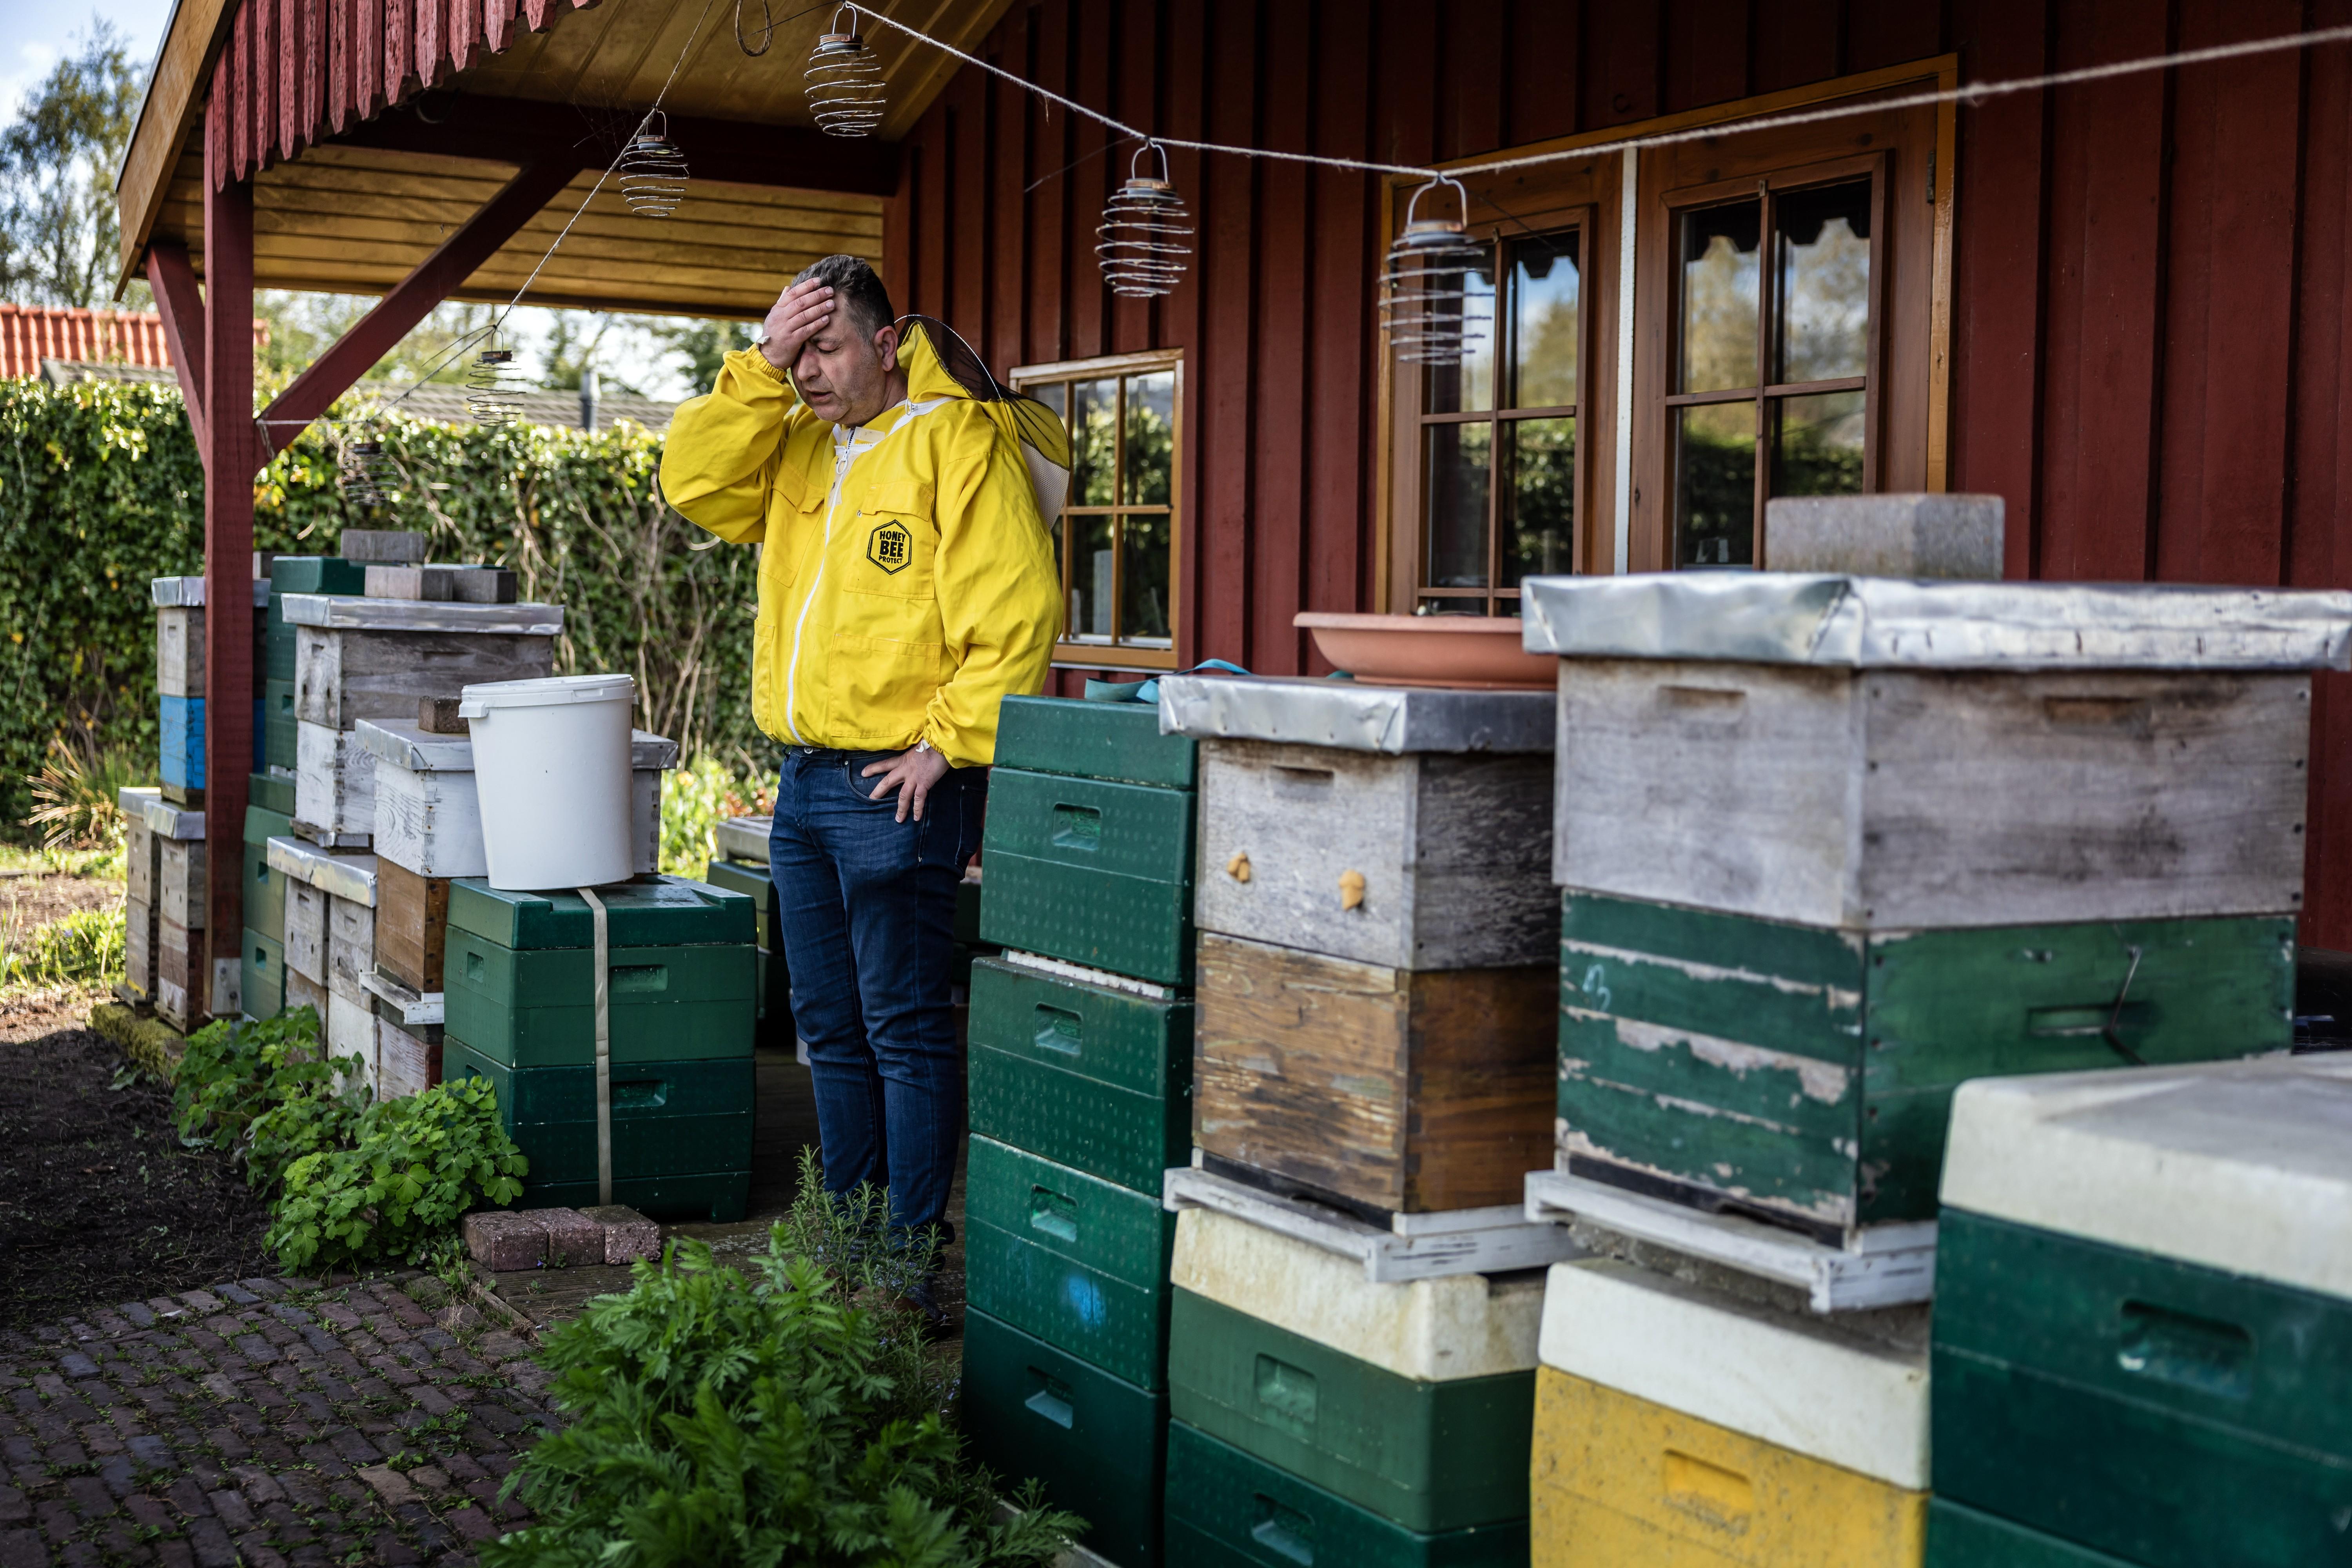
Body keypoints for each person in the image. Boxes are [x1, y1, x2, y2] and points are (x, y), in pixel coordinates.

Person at [660, 255, 1062, 1290]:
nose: (810, 372)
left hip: (900, 786)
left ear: (887, 345)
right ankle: (848, 1239)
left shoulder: (955, 440)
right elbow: (691, 480)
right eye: (797, 352)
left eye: (827, 347)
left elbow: (1017, 611)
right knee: (827, 1027)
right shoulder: (794, 445)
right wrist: (758, 360)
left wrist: (948, 745)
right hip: (802, 787)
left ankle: (914, 1261)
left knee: (905, 1029)